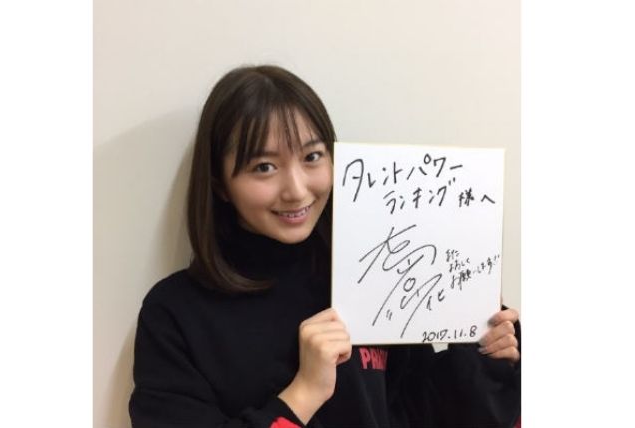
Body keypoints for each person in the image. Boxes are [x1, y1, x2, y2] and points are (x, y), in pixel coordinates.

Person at [129, 65, 521, 428]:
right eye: (264, 167)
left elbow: (421, 411)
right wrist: (304, 393)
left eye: (312, 157)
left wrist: (487, 354)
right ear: (220, 184)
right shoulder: (174, 313)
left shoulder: (376, 272)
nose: (297, 190)